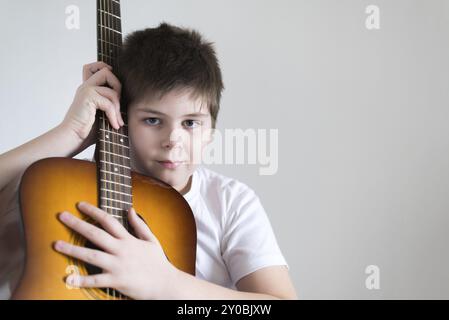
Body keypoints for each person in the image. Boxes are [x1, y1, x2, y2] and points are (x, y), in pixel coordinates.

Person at [0, 22, 297, 299]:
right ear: (124, 118)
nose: (172, 139)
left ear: (211, 131)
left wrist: (166, 283)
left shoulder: (230, 202)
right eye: (153, 120)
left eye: (191, 123)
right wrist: (71, 133)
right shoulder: (65, 188)